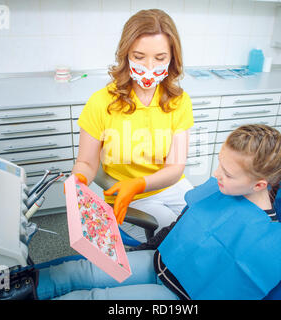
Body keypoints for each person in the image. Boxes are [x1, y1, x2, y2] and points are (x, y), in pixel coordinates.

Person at [0, 124, 281, 300]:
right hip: (156, 263)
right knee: (76, 269)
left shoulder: (269, 245)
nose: (216, 176)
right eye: (219, 165)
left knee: (91, 299)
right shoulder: (219, 191)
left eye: (227, 173)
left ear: (260, 184)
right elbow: (183, 228)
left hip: (179, 298)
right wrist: (127, 248)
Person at [72, 9, 194, 243]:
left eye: (159, 58)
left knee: (203, 226)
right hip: (130, 196)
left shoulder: (179, 100)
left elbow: (175, 167)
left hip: (170, 185)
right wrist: (78, 182)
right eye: (139, 57)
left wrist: (140, 183)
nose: (149, 67)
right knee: (178, 239)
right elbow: (86, 163)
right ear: (126, 54)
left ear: (172, 57)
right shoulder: (101, 102)